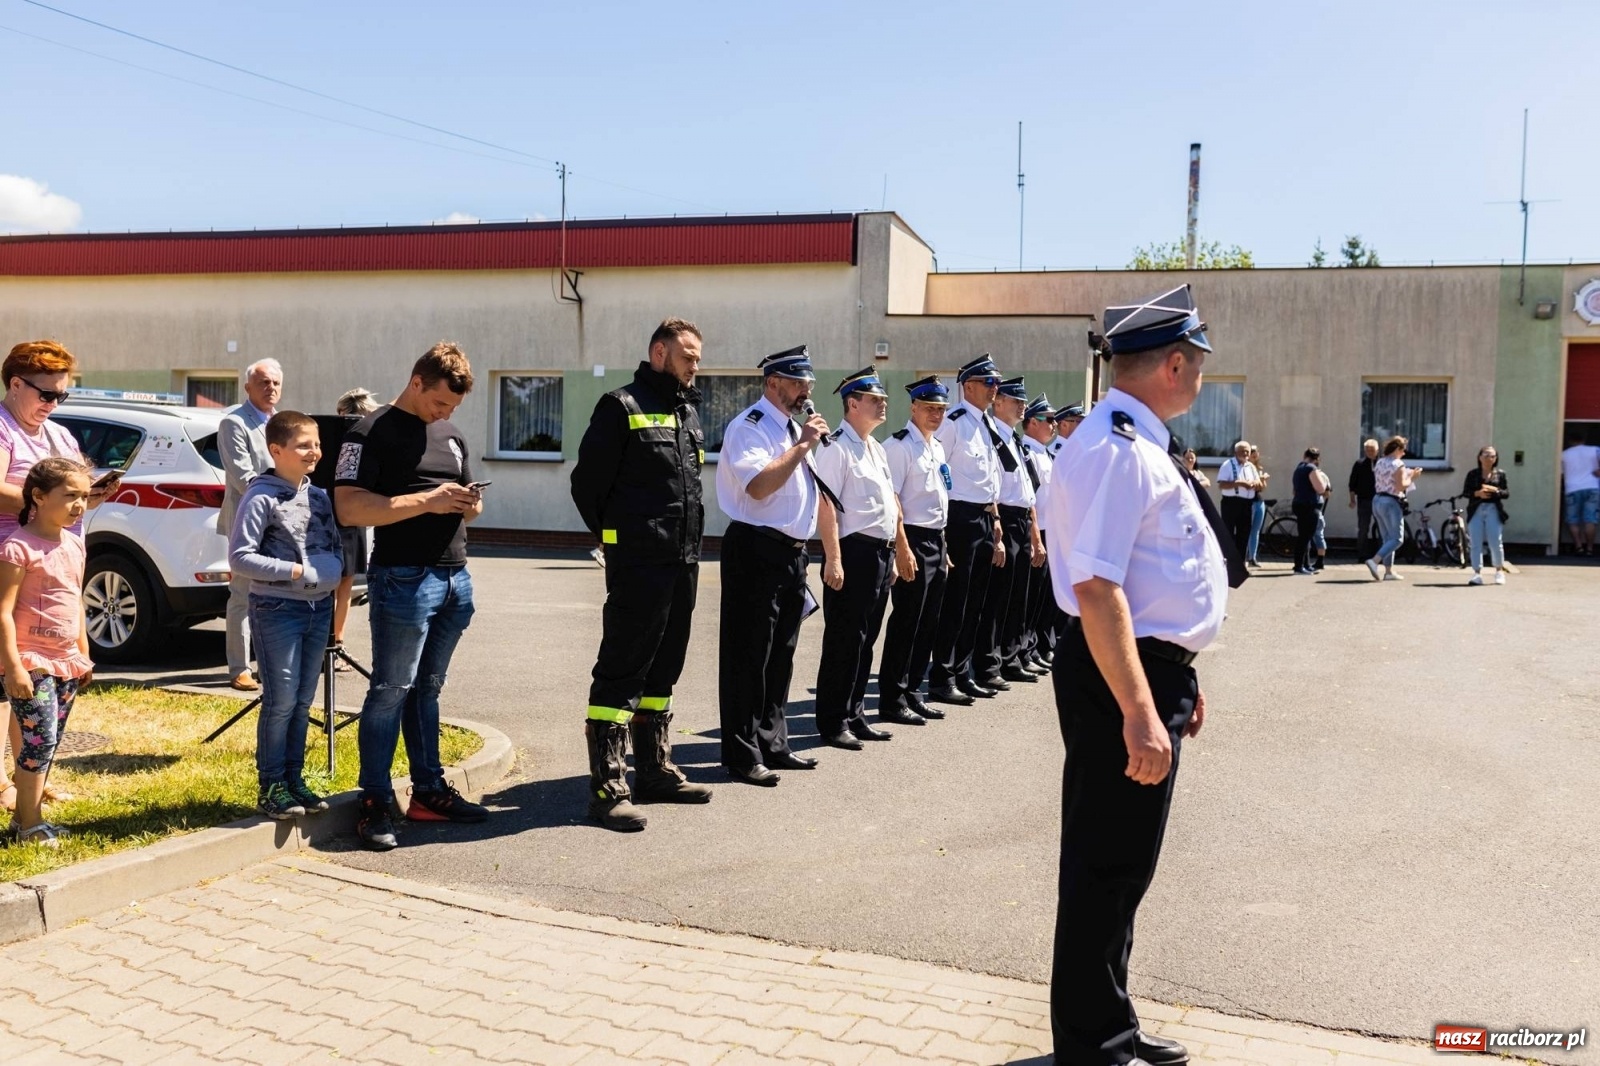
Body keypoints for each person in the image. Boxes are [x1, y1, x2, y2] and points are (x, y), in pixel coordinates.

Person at [1043, 283, 1244, 1066]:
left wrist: (1173, 679)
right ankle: (1092, 1044)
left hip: (1146, 672)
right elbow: (1096, 587)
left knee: (1124, 865)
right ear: (1171, 362)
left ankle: (1111, 1023)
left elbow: (1151, 583)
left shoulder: (1137, 443)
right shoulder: (1116, 449)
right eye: (1196, 360)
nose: (1200, 374)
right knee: (1104, 862)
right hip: (1117, 679)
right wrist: (1136, 702)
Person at [334, 342, 488, 851]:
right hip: (402, 579)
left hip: (454, 578)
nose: (444, 414)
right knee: (390, 690)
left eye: (452, 408)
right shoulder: (369, 431)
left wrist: (468, 504)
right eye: (439, 403)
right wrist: (429, 500)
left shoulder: (452, 433)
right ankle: (375, 799)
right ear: (416, 381)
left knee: (428, 690)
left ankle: (428, 792)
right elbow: (351, 507)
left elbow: (468, 507)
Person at [569, 318, 713, 831]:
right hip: (639, 564)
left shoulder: (687, 411)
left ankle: (654, 771)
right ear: (659, 352)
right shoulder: (620, 406)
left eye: (698, 356)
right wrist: (620, 540)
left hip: (682, 563)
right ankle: (607, 788)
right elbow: (588, 485)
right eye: (689, 356)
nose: (696, 365)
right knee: (622, 667)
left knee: (663, 667)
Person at [0, 341, 111, 814]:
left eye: (62, 396)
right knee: (10, 678)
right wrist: (40, 503)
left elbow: (72, 493)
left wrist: (92, 495)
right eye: (46, 394)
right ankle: (6, 789)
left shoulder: (59, 437)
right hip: (13, 560)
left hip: (57, 565)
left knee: (42, 684)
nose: (52, 405)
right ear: (15, 383)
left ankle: (30, 780)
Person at [714, 346, 828, 786]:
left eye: (808, 384)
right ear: (773, 383)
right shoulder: (752, 427)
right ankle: (743, 754)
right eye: (797, 382)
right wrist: (801, 447)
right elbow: (759, 487)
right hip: (756, 550)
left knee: (781, 656)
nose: (805, 391)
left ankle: (773, 744)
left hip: (791, 554)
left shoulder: (796, 430)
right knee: (749, 656)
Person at [228, 412, 342, 820]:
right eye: (303, 445)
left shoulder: (320, 496)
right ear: (276, 450)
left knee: (303, 701)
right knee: (281, 700)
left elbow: (331, 545)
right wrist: (294, 572)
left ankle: (294, 780)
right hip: (277, 609)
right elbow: (240, 558)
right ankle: (271, 785)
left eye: (316, 444)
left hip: (318, 608)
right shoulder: (261, 496)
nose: (314, 451)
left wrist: (333, 572)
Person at [0, 458, 94, 847]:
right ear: (38, 496)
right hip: (31, 659)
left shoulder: (73, 543)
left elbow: (76, 601)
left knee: (50, 740)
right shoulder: (18, 546)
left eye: (85, 496)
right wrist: (14, 667)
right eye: (70, 495)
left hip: (65, 659)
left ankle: (24, 819)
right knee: (39, 741)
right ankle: (30, 825)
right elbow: (3, 611)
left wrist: (82, 652)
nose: (79, 505)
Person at [814, 368, 902, 747]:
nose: (883, 403)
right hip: (853, 554)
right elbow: (827, 506)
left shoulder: (875, 447)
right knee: (844, 641)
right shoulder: (835, 447)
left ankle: (855, 713)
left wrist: (894, 555)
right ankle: (834, 722)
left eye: (882, 398)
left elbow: (887, 506)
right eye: (874, 399)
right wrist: (833, 559)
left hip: (880, 556)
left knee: (866, 641)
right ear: (852, 403)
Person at [926, 355, 1010, 705]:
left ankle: (962, 672)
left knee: (975, 601)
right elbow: (936, 472)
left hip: (983, 518)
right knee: (956, 603)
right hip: (958, 518)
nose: (995, 389)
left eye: (996, 384)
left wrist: (995, 521)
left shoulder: (986, 425)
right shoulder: (955, 422)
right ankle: (942, 677)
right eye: (989, 383)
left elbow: (989, 481)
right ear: (969, 386)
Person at [876, 376, 951, 725]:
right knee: (907, 621)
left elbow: (938, 499)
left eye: (941, 409)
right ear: (914, 407)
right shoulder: (899, 446)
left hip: (935, 540)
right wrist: (902, 549)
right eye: (930, 408)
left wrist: (944, 546)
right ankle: (892, 699)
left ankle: (912, 692)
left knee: (929, 624)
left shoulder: (935, 446)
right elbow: (893, 502)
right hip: (913, 541)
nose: (936, 414)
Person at [976, 377, 1044, 688]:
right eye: (1015, 401)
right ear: (998, 402)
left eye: (1023, 402)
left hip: (1022, 520)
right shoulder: (991, 436)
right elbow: (994, 488)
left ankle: (1012, 656)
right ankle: (990, 663)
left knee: (1019, 595)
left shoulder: (1015, 440)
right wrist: (999, 528)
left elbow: (1028, 491)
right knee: (998, 598)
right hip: (1002, 517)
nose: (1022, 407)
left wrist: (1034, 533)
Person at [219, 359, 283, 692]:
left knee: (274, 594)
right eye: (263, 382)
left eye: (275, 383)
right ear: (247, 387)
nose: (270, 388)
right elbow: (244, 477)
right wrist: (283, 500)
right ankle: (239, 668)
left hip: (283, 523)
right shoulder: (234, 423)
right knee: (242, 595)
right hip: (248, 521)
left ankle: (269, 665)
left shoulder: (283, 423)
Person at [330, 387, 379, 668]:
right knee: (327, 582)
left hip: (354, 517)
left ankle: (338, 642)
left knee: (347, 582)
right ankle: (324, 642)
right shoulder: (329, 438)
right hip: (330, 514)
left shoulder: (371, 439)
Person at [1019, 394, 1058, 672]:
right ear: (1032, 422)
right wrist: (1035, 538)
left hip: (1048, 531)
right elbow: (1030, 498)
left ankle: (1032, 648)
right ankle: (1021, 651)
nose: (1053, 425)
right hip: (1034, 532)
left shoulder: (1045, 453)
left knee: (1042, 599)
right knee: (1027, 598)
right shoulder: (1026, 452)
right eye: (1049, 419)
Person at [1365, 436, 1422, 582]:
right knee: (1397, 539)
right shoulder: (1398, 464)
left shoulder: (1380, 462)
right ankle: (1375, 561)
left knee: (1387, 538)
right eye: (1403, 450)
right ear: (1397, 449)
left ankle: (1389, 571)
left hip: (1377, 500)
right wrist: (1413, 476)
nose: (1404, 453)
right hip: (1391, 502)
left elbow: (1387, 479)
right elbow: (1400, 486)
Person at [1463, 445, 1510, 585]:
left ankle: (1499, 571)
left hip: (1493, 508)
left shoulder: (1500, 474)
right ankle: (1477, 573)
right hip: (1476, 508)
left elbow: (1506, 493)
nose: (1489, 458)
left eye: (1492, 456)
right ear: (1479, 457)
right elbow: (1466, 492)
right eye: (1485, 455)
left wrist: (1496, 491)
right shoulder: (1473, 474)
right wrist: (1477, 493)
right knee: (1475, 542)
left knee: (1495, 540)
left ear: (1496, 459)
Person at [1216, 440, 1261, 564]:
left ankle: (1240, 564)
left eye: (1247, 451)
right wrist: (1239, 483)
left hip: (1247, 503)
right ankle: (1227, 564)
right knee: (1228, 533)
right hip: (1231, 503)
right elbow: (1222, 485)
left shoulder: (1251, 466)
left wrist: (1257, 484)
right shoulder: (1227, 465)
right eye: (1243, 451)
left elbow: (1258, 483)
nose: (1246, 454)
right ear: (1236, 452)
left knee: (1244, 534)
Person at [1559, 430, 1600, 556]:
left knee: (1573, 520)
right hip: (1592, 487)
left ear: (1569, 441)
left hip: (1572, 488)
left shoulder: (1563, 454)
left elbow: (1560, 474)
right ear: (1584, 439)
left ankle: (1578, 546)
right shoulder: (1595, 450)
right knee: (1590, 520)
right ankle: (1590, 548)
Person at [1291, 448, 1324, 575]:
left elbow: (1294, 490)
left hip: (1299, 503)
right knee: (1305, 537)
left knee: (1304, 535)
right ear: (1317, 459)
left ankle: (1305, 564)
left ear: (1304, 455)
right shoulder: (1311, 468)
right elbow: (1320, 488)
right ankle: (1299, 566)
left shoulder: (1299, 468)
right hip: (1309, 505)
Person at [1348, 439, 1380, 560]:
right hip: (1364, 500)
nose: (1370, 452)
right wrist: (1352, 500)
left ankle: (1381, 555)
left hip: (1379, 500)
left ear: (1377, 450)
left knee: (1381, 527)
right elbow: (1352, 484)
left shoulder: (1381, 463)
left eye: (1372, 450)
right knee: (1363, 528)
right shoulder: (1359, 464)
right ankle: (1362, 554)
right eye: (1367, 450)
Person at [1246, 445, 1270, 565]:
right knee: (1246, 529)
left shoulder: (1259, 468)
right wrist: (1259, 479)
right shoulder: (1245, 468)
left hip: (1259, 500)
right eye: (1252, 452)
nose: (1254, 454)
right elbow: (1251, 485)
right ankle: (1243, 556)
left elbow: (1261, 487)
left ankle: (1252, 557)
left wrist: (1262, 480)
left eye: (1256, 452)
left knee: (1255, 530)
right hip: (1248, 501)